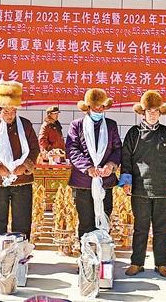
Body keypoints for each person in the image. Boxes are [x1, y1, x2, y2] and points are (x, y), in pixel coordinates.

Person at [120, 90, 166, 278]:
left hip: (163, 188)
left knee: (161, 229)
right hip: (140, 188)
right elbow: (126, 159)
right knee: (140, 228)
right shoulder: (134, 133)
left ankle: (161, 264)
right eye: (149, 111)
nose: (153, 114)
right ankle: (137, 262)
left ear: (160, 113)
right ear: (143, 112)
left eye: (156, 111)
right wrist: (126, 180)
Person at [0, 80, 39, 269]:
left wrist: (25, 166)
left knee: (22, 221)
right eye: (6, 111)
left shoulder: (26, 125)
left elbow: (34, 150)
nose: (10, 114)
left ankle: (21, 258)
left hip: (22, 181)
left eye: (13, 111)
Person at [65, 89, 122, 237]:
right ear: (88, 107)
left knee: (105, 217)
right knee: (86, 222)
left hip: (105, 181)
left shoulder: (111, 125)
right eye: (95, 106)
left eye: (101, 106)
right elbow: (72, 149)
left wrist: (111, 165)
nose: (99, 109)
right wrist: (88, 168)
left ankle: (103, 247)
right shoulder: (77, 125)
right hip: (83, 181)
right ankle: (86, 249)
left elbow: (118, 149)